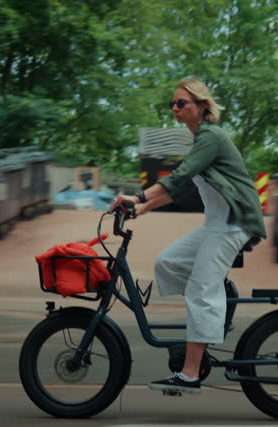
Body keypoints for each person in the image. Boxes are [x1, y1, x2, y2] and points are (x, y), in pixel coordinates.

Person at [110, 76, 266, 394]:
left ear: (201, 106)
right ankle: (213, 304)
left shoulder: (211, 137)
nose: (175, 108)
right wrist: (145, 208)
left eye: (181, 103)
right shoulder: (200, 140)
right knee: (168, 262)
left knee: (200, 291)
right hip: (216, 225)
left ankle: (190, 373)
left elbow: (179, 175)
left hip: (234, 224)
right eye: (173, 103)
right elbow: (180, 187)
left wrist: (137, 197)